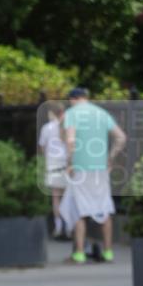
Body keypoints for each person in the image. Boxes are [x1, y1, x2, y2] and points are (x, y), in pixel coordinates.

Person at [59, 87, 126, 263]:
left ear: (73, 99)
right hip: (101, 168)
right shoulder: (101, 113)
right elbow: (121, 137)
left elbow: (70, 140)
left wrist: (69, 162)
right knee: (104, 209)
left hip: (81, 168)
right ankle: (108, 252)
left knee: (80, 210)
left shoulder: (72, 113)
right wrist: (110, 158)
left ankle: (79, 254)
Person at [37, 101, 67, 237]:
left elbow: (42, 147)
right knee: (68, 196)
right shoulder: (69, 126)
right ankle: (70, 225)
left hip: (53, 165)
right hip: (67, 164)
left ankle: (59, 225)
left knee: (56, 197)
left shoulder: (47, 128)